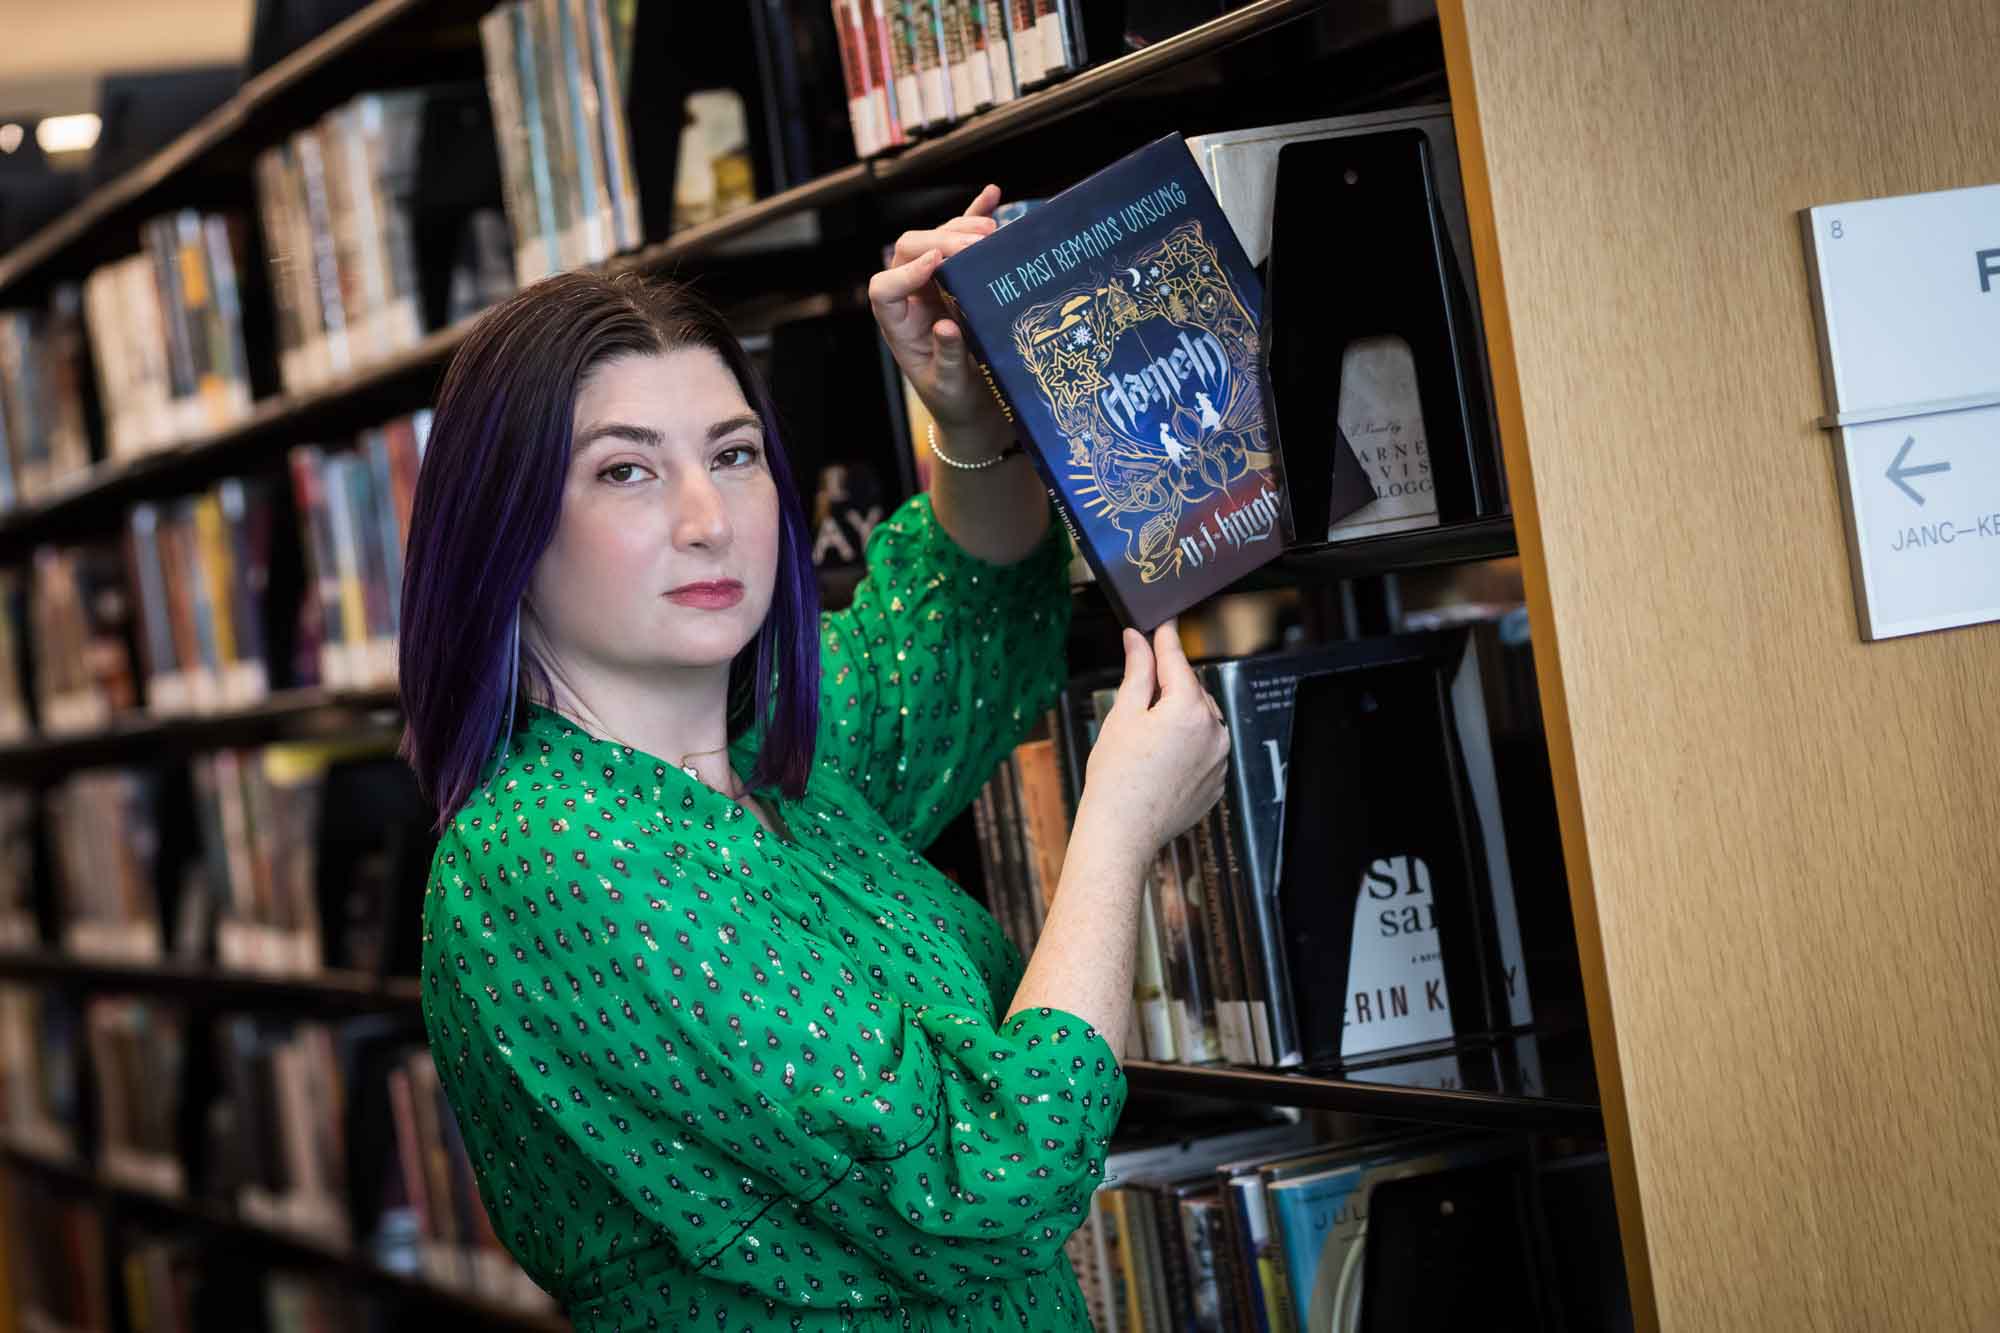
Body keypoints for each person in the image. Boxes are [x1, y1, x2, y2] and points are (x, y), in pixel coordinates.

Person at [398, 185, 1229, 1331]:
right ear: (503, 522)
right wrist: (1118, 831)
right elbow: (988, 1178)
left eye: (732, 454)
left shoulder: (766, 757)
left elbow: (957, 627)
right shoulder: (550, 857)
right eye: (625, 470)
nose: (709, 517)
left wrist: (966, 415)